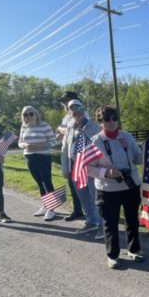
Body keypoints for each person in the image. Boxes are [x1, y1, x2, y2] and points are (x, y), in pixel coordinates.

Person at [88, 106, 144, 269]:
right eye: (107, 119)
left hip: (130, 185)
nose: (111, 122)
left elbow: (138, 159)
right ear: (100, 122)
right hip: (107, 189)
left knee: (132, 220)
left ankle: (134, 250)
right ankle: (113, 255)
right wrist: (106, 172)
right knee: (110, 223)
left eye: (114, 118)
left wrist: (148, 149)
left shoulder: (127, 136)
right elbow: (88, 168)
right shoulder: (95, 141)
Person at [60, 98, 103, 238]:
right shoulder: (70, 127)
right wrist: (65, 168)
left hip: (90, 167)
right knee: (83, 197)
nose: (75, 111)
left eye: (77, 107)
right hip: (75, 168)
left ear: (83, 109)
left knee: (95, 197)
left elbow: (100, 147)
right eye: (71, 109)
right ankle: (90, 222)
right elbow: (65, 148)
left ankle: (102, 225)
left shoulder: (94, 126)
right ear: (69, 112)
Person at [18, 106, 58, 221]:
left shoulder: (44, 125)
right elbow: (20, 142)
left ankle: (51, 209)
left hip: (43, 157)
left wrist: (38, 146)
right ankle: (45, 206)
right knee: (39, 183)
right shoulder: (24, 127)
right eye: (25, 114)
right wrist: (25, 146)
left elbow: (53, 141)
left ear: (36, 114)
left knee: (47, 182)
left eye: (30, 114)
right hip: (29, 157)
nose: (28, 116)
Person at [56, 91, 84, 222]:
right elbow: (61, 132)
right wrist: (61, 131)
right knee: (72, 184)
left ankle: (91, 213)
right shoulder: (66, 117)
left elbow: (69, 130)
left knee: (84, 186)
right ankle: (78, 210)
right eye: (63, 101)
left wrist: (61, 130)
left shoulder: (80, 111)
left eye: (66, 100)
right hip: (67, 152)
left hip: (78, 155)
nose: (64, 104)